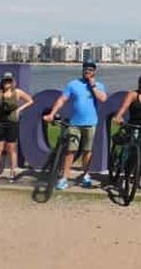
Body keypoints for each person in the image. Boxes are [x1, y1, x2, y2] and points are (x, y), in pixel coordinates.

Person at [43, 60, 107, 190]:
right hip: (74, 124)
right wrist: (52, 113)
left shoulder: (99, 85)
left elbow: (103, 99)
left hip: (91, 123)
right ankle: (65, 178)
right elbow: (62, 99)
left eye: (90, 70)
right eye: (85, 69)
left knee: (87, 151)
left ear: (94, 72)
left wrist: (93, 86)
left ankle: (85, 175)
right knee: (70, 151)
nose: (87, 71)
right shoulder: (73, 84)